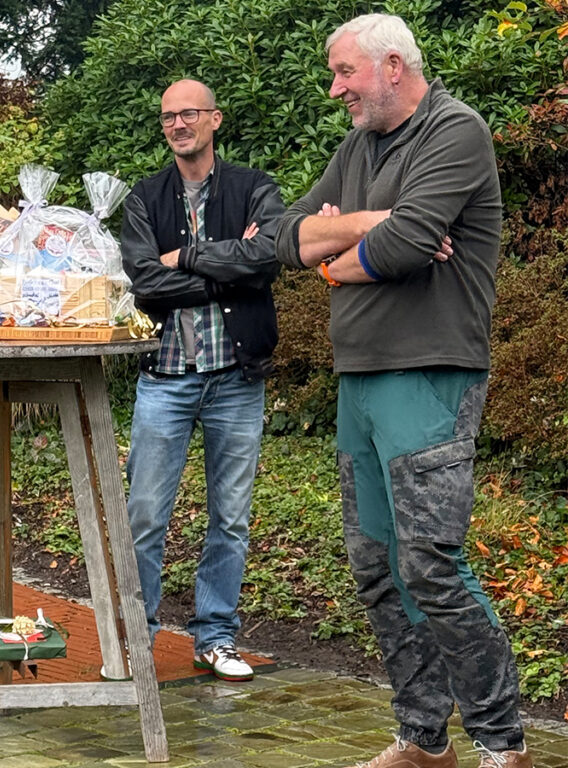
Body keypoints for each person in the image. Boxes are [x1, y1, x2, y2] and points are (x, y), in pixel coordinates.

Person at [276, 14, 531, 768]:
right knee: (377, 565)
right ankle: (424, 741)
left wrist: (336, 257)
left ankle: (504, 746)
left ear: (392, 65)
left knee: (430, 563)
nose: (335, 89)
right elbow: (286, 234)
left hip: (429, 372)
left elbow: (411, 242)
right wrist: (364, 228)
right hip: (359, 377)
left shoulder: (456, 130)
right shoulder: (357, 148)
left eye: (344, 72)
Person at [119, 79, 283, 682]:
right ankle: (137, 639)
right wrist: (226, 267)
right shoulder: (143, 198)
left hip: (236, 378)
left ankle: (216, 636)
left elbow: (266, 260)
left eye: (188, 113)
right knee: (143, 516)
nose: (178, 124)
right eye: (168, 116)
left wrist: (185, 258)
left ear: (215, 119)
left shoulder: (255, 188)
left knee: (231, 518)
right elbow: (142, 282)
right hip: (165, 378)